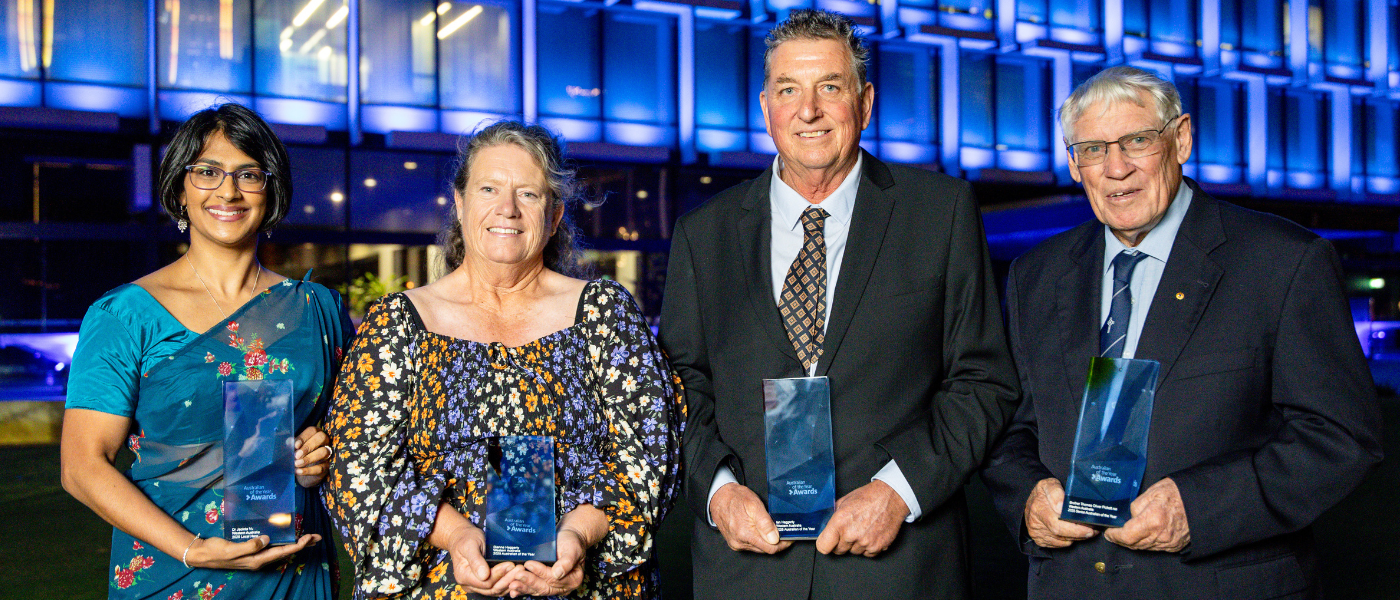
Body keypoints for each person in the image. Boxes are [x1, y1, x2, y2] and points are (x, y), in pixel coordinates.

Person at [981, 66, 1384, 599]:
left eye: (1137, 141)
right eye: (1093, 149)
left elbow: (1341, 436)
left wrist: (1199, 508)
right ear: (1075, 165)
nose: (1116, 168)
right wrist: (1028, 498)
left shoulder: (1283, 262)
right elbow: (1008, 429)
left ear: (1182, 139)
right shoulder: (1037, 274)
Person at [658, 9, 1019, 600]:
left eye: (830, 87)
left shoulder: (940, 213)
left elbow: (984, 380)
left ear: (866, 101)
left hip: (897, 570)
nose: (809, 110)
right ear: (765, 106)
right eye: (788, 90)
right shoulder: (705, 233)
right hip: (747, 570)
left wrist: (898, 494)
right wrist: (718, 490)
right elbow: (680, 387)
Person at [322, 120, 685, 599]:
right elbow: (356, 464)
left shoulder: (605, 313)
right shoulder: (398, 324)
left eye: (529, 194)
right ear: (460, 202)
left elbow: (650, 451)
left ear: (554, 215)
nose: (507, 209)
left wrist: (577, 535)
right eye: (489, 188)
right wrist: (455, 535)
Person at [61, 103, 350, 599]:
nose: (229, 191)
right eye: (207, 172)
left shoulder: (316, 309)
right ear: (179, 188)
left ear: (271, 189)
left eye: (249, 174)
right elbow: (83, 466)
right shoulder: (124, 316)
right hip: (170, 566)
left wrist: (321, 452)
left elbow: (356, 436)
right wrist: (193, 548)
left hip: (292, 568)